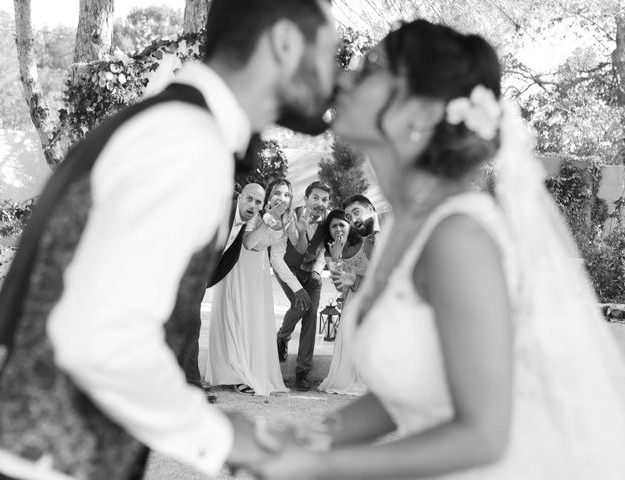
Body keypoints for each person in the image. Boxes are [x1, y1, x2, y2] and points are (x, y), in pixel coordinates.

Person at [251, 19, 625, 480]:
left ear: (423, 112)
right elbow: (412, 386)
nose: (345, 76)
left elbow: (484, 436)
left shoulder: (459, 238)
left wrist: (317, 466)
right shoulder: (402, 229)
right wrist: (307, 437)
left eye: (370, 68)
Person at [0, 0, 338, 478]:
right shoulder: (187, 143)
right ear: (285, 42)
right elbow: (104, 338)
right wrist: (223, 439)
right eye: (327, 48)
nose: (333, 71)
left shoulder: (166, 125)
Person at [206, 179, 296, 397]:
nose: (280, 198)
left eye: (285, 194)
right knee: (234, 316)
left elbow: (289, 247)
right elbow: (248, 243)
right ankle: (235, 373)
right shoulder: (255, 214)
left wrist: (296, 228)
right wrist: (268, 218)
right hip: (238, 266)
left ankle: (248, 370)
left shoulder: (285, 219)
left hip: (259, 270)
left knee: (253, 320)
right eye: (276, 193)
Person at [181, 182, 264, 403]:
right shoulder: (220, 213)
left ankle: (188, 387)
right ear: (240, 197)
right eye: (249, 199)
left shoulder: (241, 222)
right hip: (182, 274)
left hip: (195, 280)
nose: (253, 205)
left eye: (258, 202)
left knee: (188, 330)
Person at [271, 180, 331, 391]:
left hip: (312, 275)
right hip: (289, 271)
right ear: (306, 199)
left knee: (311, 316)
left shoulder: (329, 221)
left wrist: (317, 269)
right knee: (301, 305)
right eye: (315, 197)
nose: (320, 203)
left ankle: (302, 372)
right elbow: (277, 257)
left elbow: (325, 250)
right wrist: (297, 286)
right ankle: (282, 336)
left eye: (324, 199)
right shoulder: (291, 215)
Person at [317, 209, 372, 396]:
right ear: (329, 231)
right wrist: (336, 257)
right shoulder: (330, 253)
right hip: (353, 298)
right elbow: (340, 288)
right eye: (334, 226)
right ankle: (348, 378)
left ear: (349, 225)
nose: (338, 229)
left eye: (342, 224)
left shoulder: (367, 242)